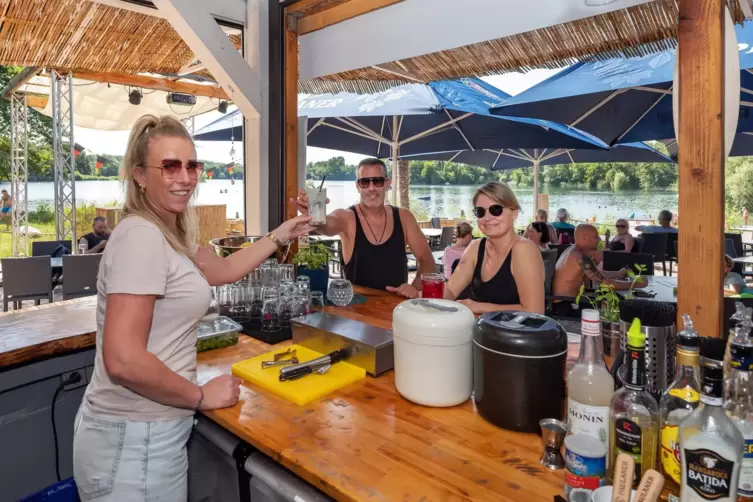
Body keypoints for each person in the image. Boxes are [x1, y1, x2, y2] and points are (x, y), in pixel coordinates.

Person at [72, 115, 312, 500]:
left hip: (146, 434)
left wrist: (281, 234)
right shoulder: (141, 237)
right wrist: (200, 395)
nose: (184, 177)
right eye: (169, 166)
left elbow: (224, 269)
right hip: (134, 441)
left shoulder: (170, 233)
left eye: (191, 165)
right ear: (139, 175)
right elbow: (123, 359)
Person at [292, 158, 435, 298]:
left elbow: (427, 261)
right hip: (357, 310)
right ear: (357, 186)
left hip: (395, 307)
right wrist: (315, 214)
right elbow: (329, 225)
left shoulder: (404, 217)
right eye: (365, 182)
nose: (371, 188)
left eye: (377, 181)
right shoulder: (348, 217)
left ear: (387, 184)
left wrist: (414, 288)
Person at [443, 182, 545, 314]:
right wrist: (422, 294)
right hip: (484, 331)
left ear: (514, 213)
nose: (487, 218)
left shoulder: (524, 249)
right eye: (480, 212)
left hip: (518, 332)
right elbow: (450, 290)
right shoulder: (476, 247)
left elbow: (535, 312)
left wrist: (480, 307)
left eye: (496, 209)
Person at [551, 224, 646, 317]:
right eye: (596, 237)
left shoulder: (572, 251)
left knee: (610, 306)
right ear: (585, 238)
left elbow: (597, 274)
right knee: (618, 314)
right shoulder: (580, 257)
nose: (599, 240)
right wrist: (636, 284)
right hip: (566, 307)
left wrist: (619, 273)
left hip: (568, 303)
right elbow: (605, 284)